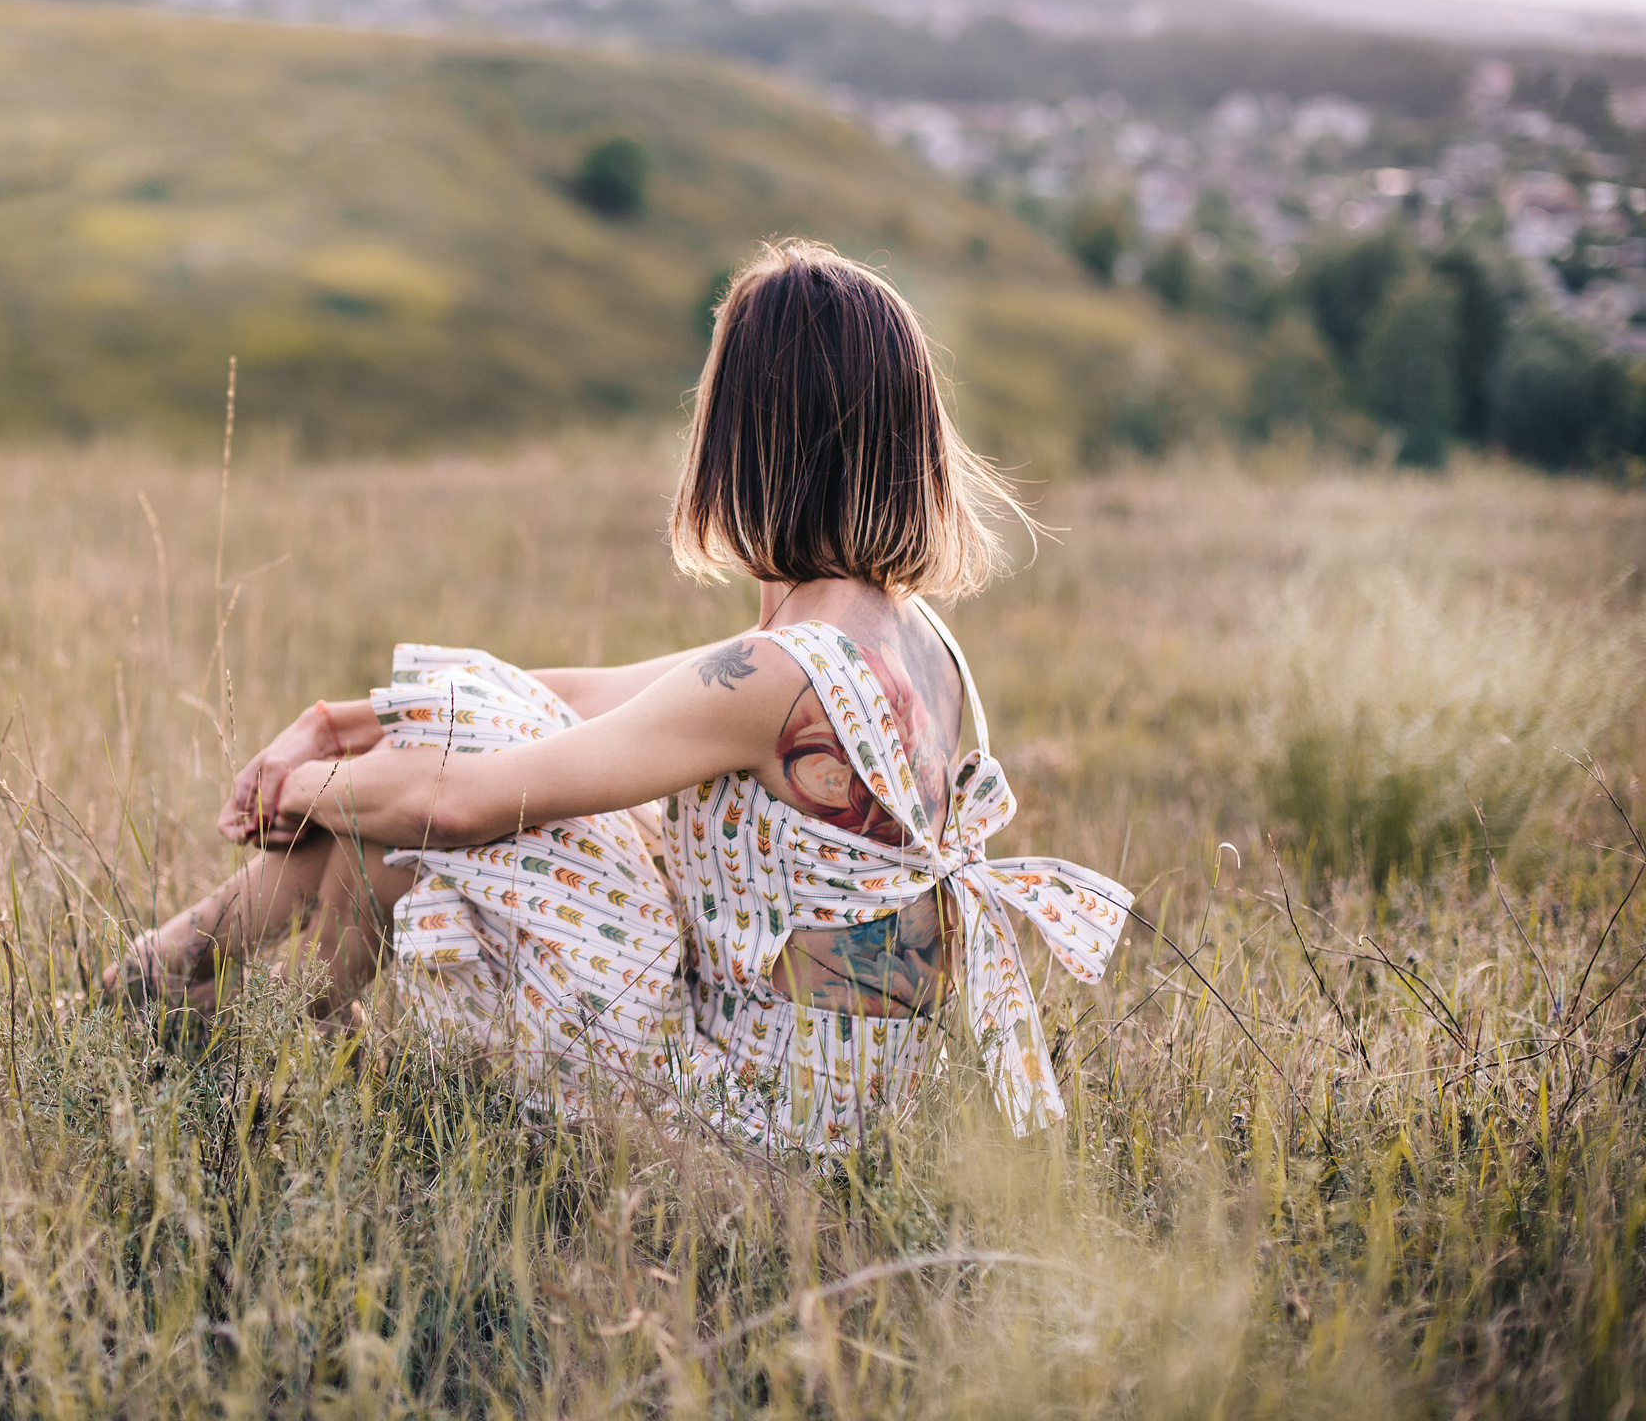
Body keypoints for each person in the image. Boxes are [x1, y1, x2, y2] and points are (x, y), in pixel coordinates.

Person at [108, 239, 1133, 1148]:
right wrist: (339, 724)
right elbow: (577, 694)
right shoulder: (907, 641)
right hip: (854, 1107)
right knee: (453, 751)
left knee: (415, 817)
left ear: (744, 438)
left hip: (746, 1117)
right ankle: (215, 1003)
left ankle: (198, 1006)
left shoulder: (783, 673)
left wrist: (302, 788)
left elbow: (461, 803)